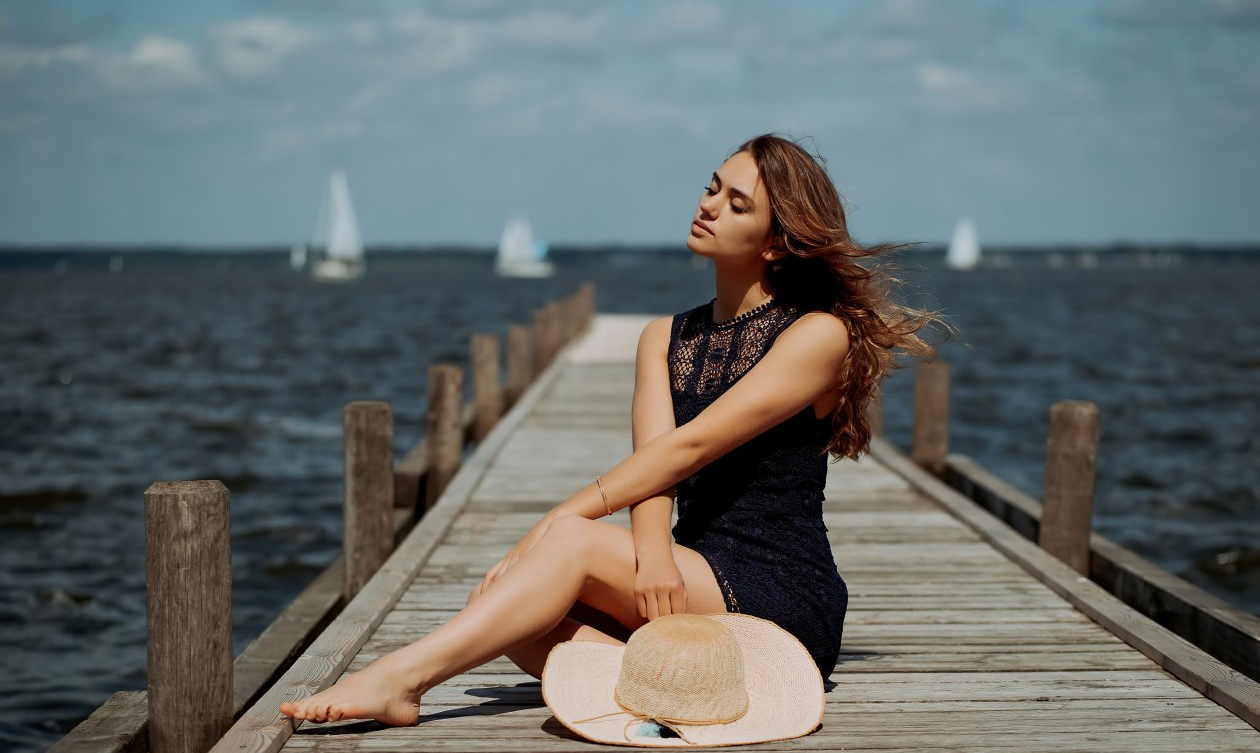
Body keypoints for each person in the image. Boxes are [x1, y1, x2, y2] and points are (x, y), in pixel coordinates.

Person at [279, 133, 946, 726]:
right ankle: (681, 678)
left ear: (776, 240)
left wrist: (556, 519)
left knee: (560, 549)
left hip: (778, 589)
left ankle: (403, 678)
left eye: (736, 203)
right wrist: (652, 548)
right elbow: (657, 464)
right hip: (688, 574)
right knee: (513, 614)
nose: (710, 204)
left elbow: (694, 445)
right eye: (712, 186)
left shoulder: (815, 335)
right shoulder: (665, 336)